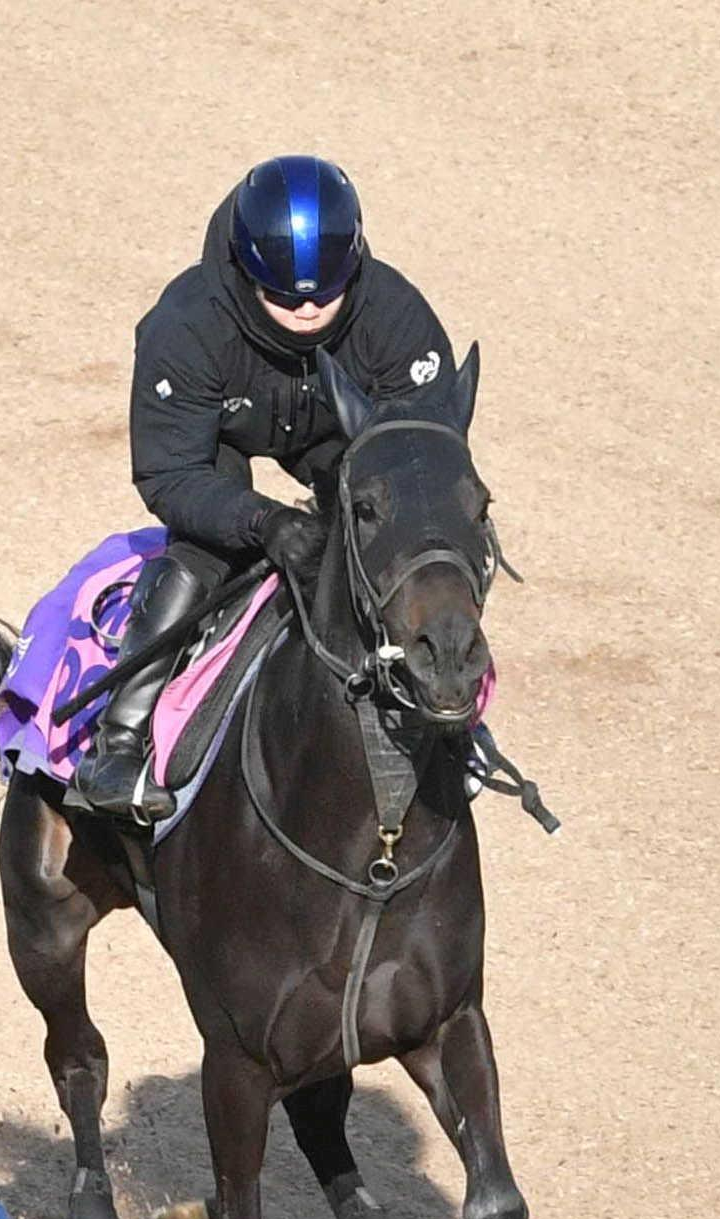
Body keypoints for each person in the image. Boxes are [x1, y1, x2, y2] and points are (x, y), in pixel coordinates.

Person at [73, 155, 459, 822]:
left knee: (401, 542)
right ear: (248, 273)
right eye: (284, 296)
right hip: (219, 439)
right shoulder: (187, 324)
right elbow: (170, 473)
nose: (307, 308)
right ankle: (122, 740)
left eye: (324, 292)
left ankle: (454, 719)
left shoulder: (397, 321)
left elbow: (426, 466)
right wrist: (266, 524)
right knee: (205, 555)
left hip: (343, 435)